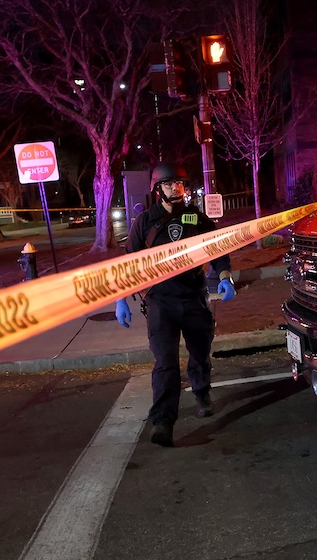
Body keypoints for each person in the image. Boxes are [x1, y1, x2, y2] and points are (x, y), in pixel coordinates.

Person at [114, 163, 237, 448]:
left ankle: (201, 392)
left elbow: (217, 247)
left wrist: (225, 276)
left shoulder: (195, 217)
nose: (176, 189)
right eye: (169, 184)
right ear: (158, 189)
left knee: (200, 352)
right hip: (160, 302)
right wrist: (121, 297)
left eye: (180, 184)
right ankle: (163, 421)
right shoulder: (145, 221)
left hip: (194, 297)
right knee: (165, 363)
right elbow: (127, 262)